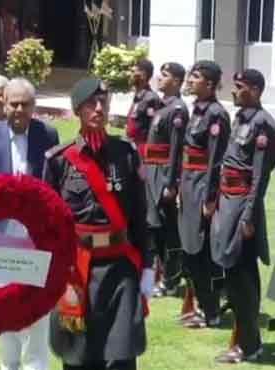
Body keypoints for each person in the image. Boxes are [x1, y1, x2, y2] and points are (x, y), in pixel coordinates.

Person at [44, 77, 153, 370]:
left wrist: (148, 267)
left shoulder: (126, 154)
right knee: (78, 354)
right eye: (91, 103)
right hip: (77, 270)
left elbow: (141, 216)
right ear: (78, 110)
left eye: (103, 102)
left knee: (121, 354)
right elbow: (48, 224)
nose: (98, 108)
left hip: (119, 268)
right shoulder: (59, 161)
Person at [0, 78, 59, 370]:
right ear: (3, 103)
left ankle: (36, 365)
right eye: (14, 103)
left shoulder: (48, 135)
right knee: (6, 310)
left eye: (26, 104)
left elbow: (55, 189)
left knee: (38, 312)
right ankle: (9, 366)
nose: (19, 110)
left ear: (34, 106)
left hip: (36, 239)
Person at [211, 69, 275, 363]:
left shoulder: (263, 124)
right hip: (227, 201)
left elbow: (259, 177)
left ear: (256, 90)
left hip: (242, 205)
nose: (234, 91)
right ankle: (244, 339)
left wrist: (249, 217)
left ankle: (249, 345)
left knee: (241, 276)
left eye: (239, 87)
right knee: (232, 273)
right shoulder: (240, 118)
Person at [178, 61, 230, 329]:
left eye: (195, 77)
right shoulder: (195, 111)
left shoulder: (216, 115)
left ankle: (211, 311)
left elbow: (216, 160)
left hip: (202, 188)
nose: (190, 80)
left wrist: (210, 197)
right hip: (188, 185)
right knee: (190, 249)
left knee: (201, 252)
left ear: (209, 84)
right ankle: (201, 305)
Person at [142, 63, 188, 298]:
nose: (160, 78)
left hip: (163, 174)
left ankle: (171, 278)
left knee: (167, 229)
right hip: (152, 171)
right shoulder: (162, 106)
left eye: (166, 75)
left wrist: (171, 183)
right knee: (154, 226)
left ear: (178, 82)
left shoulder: (177, 110)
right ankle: (161, 274)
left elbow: (175, 150)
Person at [126, 59, 161, 156]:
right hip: (131, 145)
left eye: (133, 72)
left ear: (143, 75)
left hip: (141, 149)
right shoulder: (138, 96)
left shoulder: (151, 98)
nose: (130, 74)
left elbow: (153, 128)